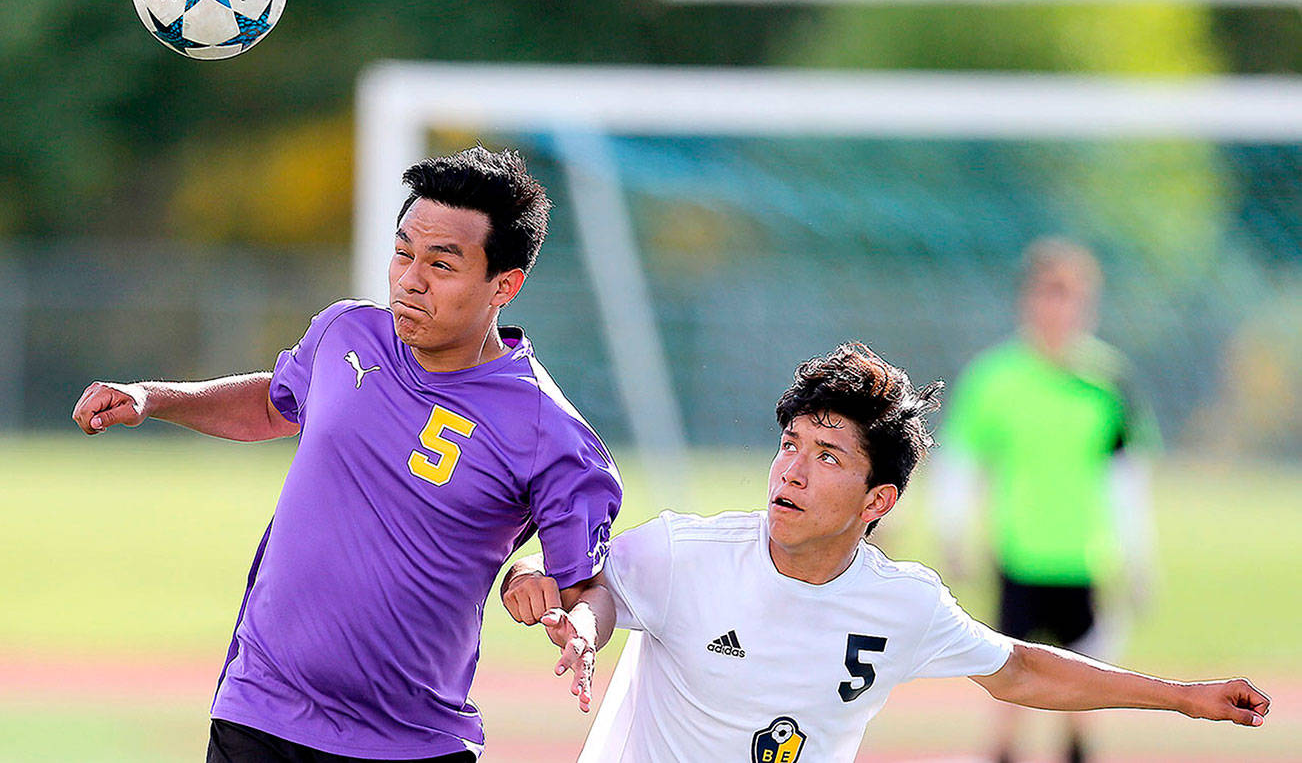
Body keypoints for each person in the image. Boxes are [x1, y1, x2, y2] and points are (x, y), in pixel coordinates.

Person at [71, 147, 622, 762]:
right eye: (403, 252)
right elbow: (274, 405)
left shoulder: (551, 432)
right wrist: (152, 398)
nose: (411, 278)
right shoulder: (345, 333)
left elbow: (585, 586)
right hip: (260, 712)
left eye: (442, 264)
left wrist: (578, 625)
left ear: (505, 285)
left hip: (413, 743)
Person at [500, 342, 1268, 763]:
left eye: (828, 456)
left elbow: (1021, 669)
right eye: (789, 445)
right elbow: (592, 584)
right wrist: (553, 596)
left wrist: (1182, 696)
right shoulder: (688, 552)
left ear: (878, 503)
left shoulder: (904, 604)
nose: (791, 470)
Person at [933, 238, 1158, 763]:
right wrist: (953, 533)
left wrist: (1138, 558)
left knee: (1084, 692)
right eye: (1048, 294)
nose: (1058, 308)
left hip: (1084, 557)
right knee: (1009, 686)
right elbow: (962, 462)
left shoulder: (1108, 381)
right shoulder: (996, 379)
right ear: (1027, 301)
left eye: (1070, 296)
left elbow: (1124, 476)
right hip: (1018, 553)